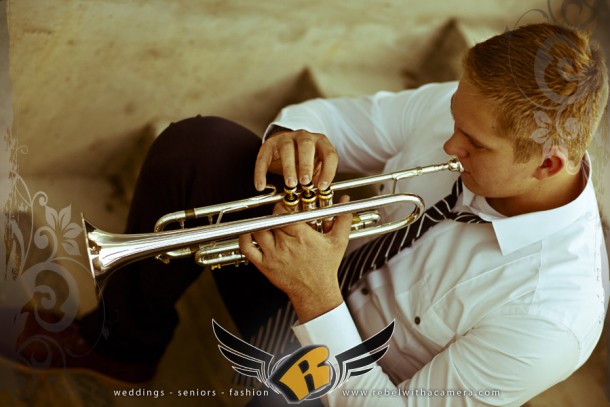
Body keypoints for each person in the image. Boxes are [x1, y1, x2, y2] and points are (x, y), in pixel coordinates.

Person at [8, 22, 609, 406]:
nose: (451, 145)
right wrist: (298, 137)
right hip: (302, 276)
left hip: (344, 374)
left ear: (549, 164)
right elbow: (342, 120)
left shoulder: (554, 315)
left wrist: (318, 297)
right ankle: (119, 342)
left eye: (474, 144)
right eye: (454, 122)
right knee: (201, 147)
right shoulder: (471, 115)